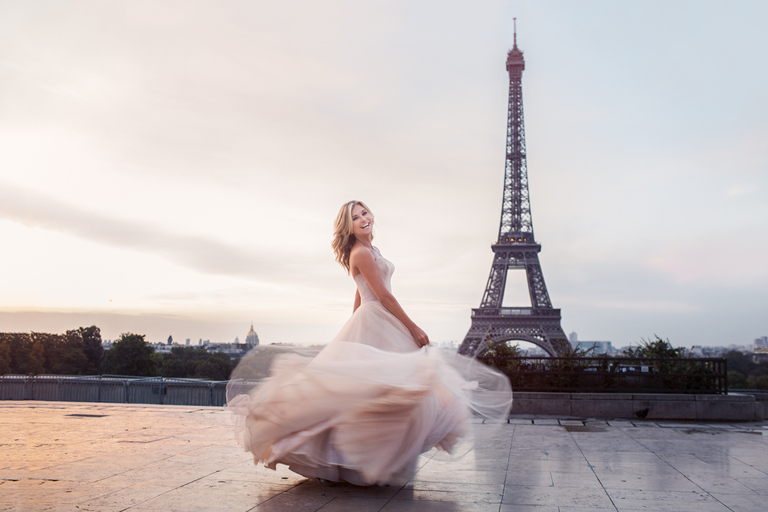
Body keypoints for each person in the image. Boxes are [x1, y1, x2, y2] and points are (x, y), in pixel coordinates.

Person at [226, 200, 512, 486]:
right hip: (380, 316)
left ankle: (371, 458)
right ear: (347, 227)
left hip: (376, 319)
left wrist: (351, 332)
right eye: (355, 217)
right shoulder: (361, 252)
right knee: (392, 384)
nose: (363, 218)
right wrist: (413, 327)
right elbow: (383, 296)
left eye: (365, 213)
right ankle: (361, 458)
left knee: (383, 387)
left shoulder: (371, 251)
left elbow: (360, 294)